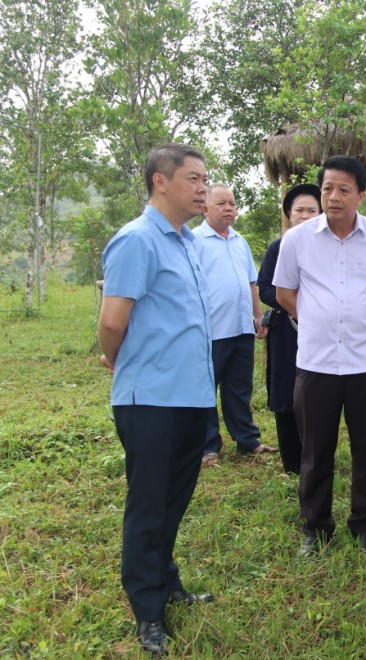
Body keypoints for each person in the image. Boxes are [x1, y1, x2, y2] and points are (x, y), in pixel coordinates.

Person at [98, 144, 216, 656]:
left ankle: (167, 581)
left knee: (173, 499)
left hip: (189, 397)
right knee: (148, 504)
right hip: (150, 399)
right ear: (159, 181)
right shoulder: (137, 240)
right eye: (193, 178)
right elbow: (111, 322)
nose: (203, 188)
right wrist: (120, 362)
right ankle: (147, 611)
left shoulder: (187, 242)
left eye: (205, 179)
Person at [274, 156, 366, 558]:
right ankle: (315, 528)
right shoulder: (296, 240)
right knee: (315, 450)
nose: (333, 196)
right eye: (327, 188)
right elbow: (285, 294)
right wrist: (317, 318)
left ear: (361, 196)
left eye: (343, 189)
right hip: (316, 363)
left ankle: (364, 526)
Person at [194, 184, 274, 466]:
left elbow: (250, 282)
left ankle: (247, 439)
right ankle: (207, 446)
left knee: (239, 387)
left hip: (241, 327)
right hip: (211, 330)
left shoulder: (240, 241)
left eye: (232, 203)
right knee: (206, 388)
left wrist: (257, 316)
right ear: (205, 209)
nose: (229, 208)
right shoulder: (194, 241)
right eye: (221, 204)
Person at [257, 183, 322, 475]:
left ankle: (317, 457)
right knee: (286, 392)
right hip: (287, 330)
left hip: (322, 331)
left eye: (312, 210)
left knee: (318, 393)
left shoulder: (330, 246)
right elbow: (266, 289)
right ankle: (292, 463)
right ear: (289, 214)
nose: (306, 215)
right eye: (300, 210)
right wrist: (295, 306)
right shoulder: (278, 246)